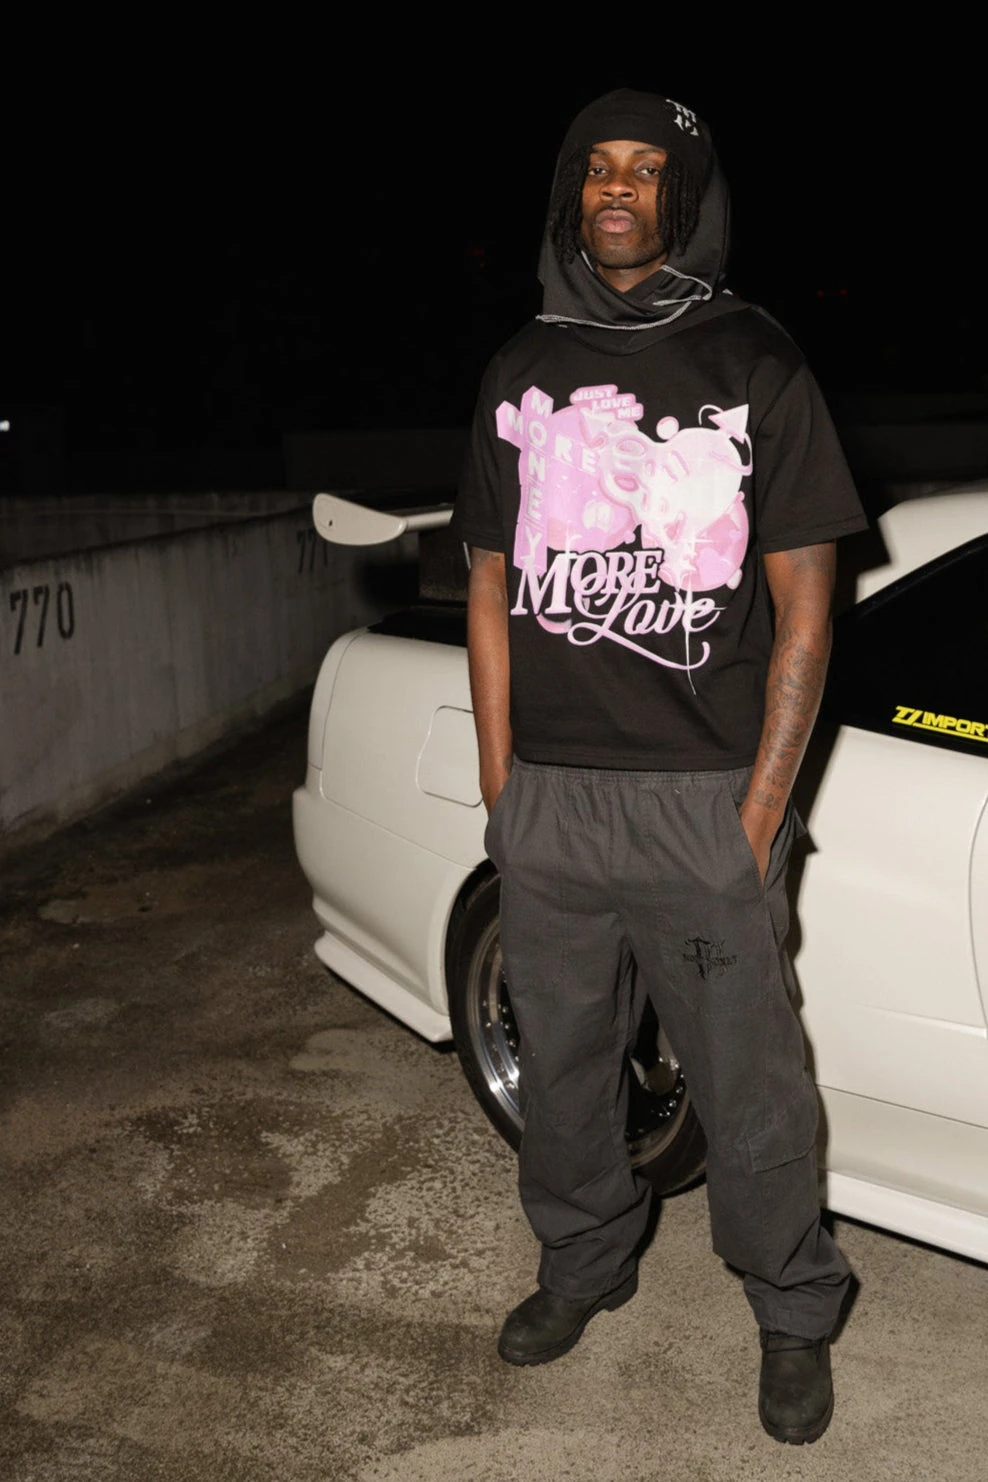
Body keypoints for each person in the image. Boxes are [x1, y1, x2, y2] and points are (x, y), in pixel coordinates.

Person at [452, 88, 868, 1446]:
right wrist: (504, 782)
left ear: (685, 197)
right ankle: (584, 1258)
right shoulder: (521, 366)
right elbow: (489, 581)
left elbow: (806, 608)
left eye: (646, 168)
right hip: (554, 798)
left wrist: (759, 810)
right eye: (597, 168)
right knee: (565, 1063)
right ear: (572, 196)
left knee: (748, 1081)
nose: (619, 187)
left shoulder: (756, 359)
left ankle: (792, 1306)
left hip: (702, 797)